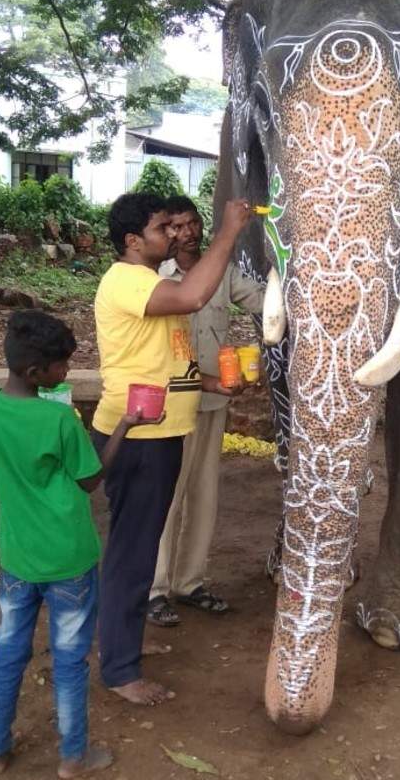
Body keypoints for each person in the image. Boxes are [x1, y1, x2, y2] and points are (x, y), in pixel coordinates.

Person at [0, 310, 157, 778]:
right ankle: (72, 757)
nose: (66, 371)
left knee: (8, 654)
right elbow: (91, 480)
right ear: (35, 373)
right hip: (69, 557)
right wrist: (125, 426)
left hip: (17, 557)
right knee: (70, 661)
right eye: (62, 365)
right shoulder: (59, 420)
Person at [92, 191, 251, 707]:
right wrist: (228, 231)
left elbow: (167, 363)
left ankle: (126, 642)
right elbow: (192, 299)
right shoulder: (128, 281)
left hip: (161, 434)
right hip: (138, 439)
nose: (175, 235)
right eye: (164, 228)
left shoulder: (151, 281)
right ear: (134, 241)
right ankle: (119, 670)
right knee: (131, 555)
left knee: (138, 547)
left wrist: (211, 383)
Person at [147, 197, 265, 625]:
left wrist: (299, 280)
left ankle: (189, 583)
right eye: (177, 226)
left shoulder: (222, 272)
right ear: (164, 232)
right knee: (169, 496)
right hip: (172, 405)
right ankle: (155, 589)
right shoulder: (155, 279)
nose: (188, 232)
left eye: (194, 223)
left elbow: (261, 302)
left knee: (203, 495)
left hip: (214, 402)